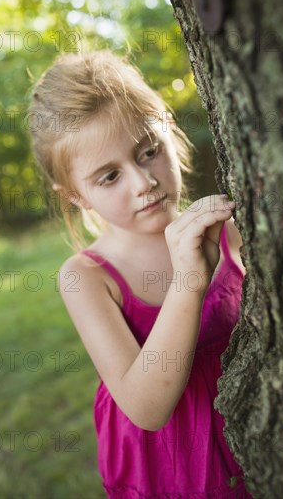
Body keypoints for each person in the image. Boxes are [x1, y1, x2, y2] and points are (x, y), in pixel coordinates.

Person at [28, 49, 253, 498]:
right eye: (109, 177)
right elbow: (147, 408)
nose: (142, 182)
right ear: (75, 195)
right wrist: (189, 281)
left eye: (148, 152)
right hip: (171, 466)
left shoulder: (228, 229)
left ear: (169, 129)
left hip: (252, 433)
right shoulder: (88, 278)